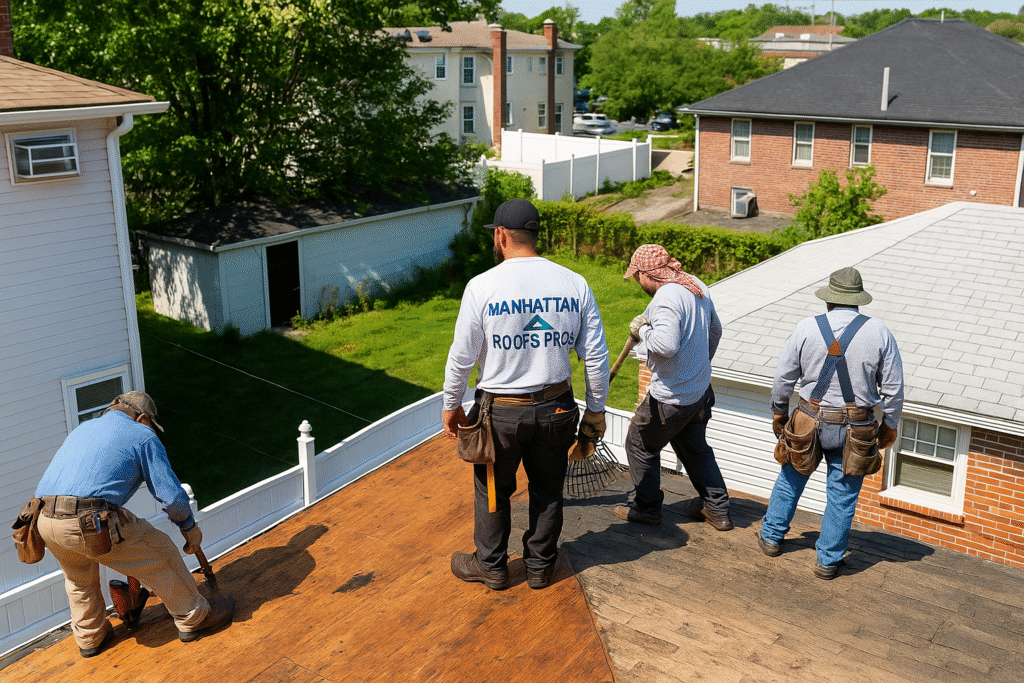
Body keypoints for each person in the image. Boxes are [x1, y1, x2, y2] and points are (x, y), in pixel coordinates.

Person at [442, 198, 610, 591]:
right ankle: (540, 567)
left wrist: (451, 405)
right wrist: (596, 414)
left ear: (501, 235)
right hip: (558, 409)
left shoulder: (482, 286)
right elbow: (596, 357)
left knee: (493, 490)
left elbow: (461, 357)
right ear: (535, 235)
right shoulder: (574, 283)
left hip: (499, 414)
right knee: (548, 489)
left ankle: (492, 566)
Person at [34, 391, 235, 657]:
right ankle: (193, 616)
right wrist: (189, 527)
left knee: (78, 580)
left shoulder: (84, 428)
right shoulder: (143, 435)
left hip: (43, 520)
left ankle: (90, 637)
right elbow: (172, 497)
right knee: (159, 553)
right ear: (142, 418)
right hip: (88, 521)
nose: (153, 431)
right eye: (152, 425)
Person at [756, 267, 904, 580]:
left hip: (808, 420)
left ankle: (771, 538)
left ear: (829, 301)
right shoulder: (879, 332)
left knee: (791, 478)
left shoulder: (806, 328)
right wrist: (890, 424)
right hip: (857, 427)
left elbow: (783, 378)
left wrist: (779, 412)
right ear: (858, 301)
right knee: (843, 496)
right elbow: (893, 387)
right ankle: (828, 561)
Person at [614, 244, 733, 530]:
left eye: (636, 276)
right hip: (700, 392)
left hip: (673, 396)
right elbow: (715, 331)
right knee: (694, 446)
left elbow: (665, 346)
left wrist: (642, 330)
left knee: (639, 444)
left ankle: (647, 508)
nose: (637, 282)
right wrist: (698, 366)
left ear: (646, 273)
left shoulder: (667, 297)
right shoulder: (695, 284)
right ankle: (716, 509)